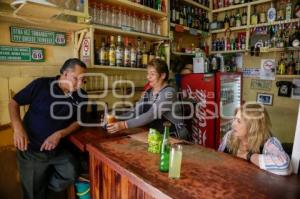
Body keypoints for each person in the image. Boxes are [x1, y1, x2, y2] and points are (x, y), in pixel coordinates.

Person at [8, 58, 88, 199]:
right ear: (64, 73)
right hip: (31, 150)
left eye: (83, 80)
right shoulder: (42, 85)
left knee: (72, 171)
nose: (80, 84)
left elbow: (79, 121)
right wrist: (18, 128)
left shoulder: (81, 96)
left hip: (58, 150)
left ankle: (43, 187)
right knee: (32, 194)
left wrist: (60, 134)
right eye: (76, 78)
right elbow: (14, 102)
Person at [107, 58, 190, 140]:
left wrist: (123, 125)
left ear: (163, 75)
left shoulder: (169, 93)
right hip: (158, 136)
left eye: (152, 74)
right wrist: (116, 118)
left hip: (175, 137)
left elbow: (150, 115)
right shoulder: (148, 92)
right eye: (148, 73)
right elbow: (135, 112)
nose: (148, 77)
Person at [218, 103, 292, 176]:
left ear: (253, 126)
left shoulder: (269, 142)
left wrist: (248, 156)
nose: (233, 124)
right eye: (234, 119)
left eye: (239, 121)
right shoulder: (229, 136)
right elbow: (219, 157)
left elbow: (285, 167)